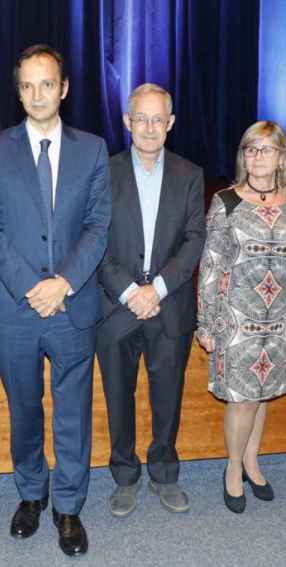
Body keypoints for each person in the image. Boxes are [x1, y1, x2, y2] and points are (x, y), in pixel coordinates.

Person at [0, 44, 111, 557]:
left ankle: (69, 505)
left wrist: (64, 283)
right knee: (24, 409)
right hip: (14, 309)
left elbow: (99, 226)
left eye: (46, 83)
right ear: (18, 91)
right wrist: (32, 287)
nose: (37, 94)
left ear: (65, 88)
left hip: (72, 307)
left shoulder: (93, 149)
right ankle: (31, 494)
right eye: (27, 85)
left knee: (73, 410)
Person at [96, 83, 206, 516]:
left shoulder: (190, 174)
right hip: (116, 308)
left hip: (169, 307)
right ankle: (124, 475)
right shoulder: (102, 172)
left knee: (168, 396)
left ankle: (164, 471)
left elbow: (195, 239)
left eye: (157, 119)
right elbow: (94, 242)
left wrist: (156, 289)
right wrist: (129, 292)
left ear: (170, 124)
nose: (148, 127)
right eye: (140, 118)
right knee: (118, 399)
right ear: (126, 121)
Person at [197, 120, 286, 513]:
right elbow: (211, 266)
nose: (257, 156)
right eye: (250, 149)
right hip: (236, 319)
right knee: (243, 399)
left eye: (266, 149)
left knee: (262, 396)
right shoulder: (226, 202)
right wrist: (207, 322)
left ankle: (252, 460)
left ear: (282, 157)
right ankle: (233, 469)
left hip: (281, 320)